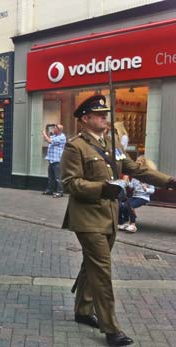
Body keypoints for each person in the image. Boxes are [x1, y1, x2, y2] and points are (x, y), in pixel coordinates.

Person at [60, 94, 176, 347]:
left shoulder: (112, 142)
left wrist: (169, 181)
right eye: (99, 114)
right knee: (102, 271)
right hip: (87, 217)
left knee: (91, 265)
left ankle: (82, 310)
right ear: (85, 119)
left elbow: (136, 169)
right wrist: (104, 188)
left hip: (110, 216)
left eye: (106, 114)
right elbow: (70, 183)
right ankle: (111, 328)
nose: (105, 118)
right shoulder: (75, 146)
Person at [119, 156, 157, 233]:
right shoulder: (135, 176)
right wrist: (126, 182)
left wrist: (146, 189)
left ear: (145, 164)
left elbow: (153, 190)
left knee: (130, 206)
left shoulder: (149, 176)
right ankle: (126, 223)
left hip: (143, 197)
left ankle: (133, 224)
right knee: (123, 206)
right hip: (135, 196)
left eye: (140, 161)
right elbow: (131, 186)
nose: (138, 163)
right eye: (137, 161)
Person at [42, 124, 66, 198]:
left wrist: (43, 133)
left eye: (55, 129)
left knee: (58, 178)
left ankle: (60, 192)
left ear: (59, 130)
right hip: (52, 159)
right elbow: (47, 138)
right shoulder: (54, 136)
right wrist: (46, 127)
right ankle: (50, 190)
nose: (53, 130)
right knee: (51, 177)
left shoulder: (61, 137)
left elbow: (49, 141)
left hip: (57, 160)